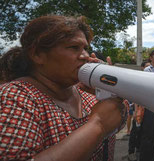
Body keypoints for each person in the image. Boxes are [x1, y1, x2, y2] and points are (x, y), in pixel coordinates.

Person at [0, 15, 127, 161]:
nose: (85, 56)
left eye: (85, 48)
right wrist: (98, 124)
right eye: (74, 47)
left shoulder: (86, 96)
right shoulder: (16, 97)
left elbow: (118, 119)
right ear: (37, 54)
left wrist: (108, 86)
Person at [139, 50, 154, 161]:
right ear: (151, 58)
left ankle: (152, 157)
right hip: (149, 107)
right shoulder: (147, 70)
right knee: (148, 135)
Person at [127, 60, 150, 161]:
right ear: (142, 68)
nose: (149, 69)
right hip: (139, 111)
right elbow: (136, 97)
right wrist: (136, 111)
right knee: (135, 132)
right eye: (147, 67)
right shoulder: (139, 80)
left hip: (146, 111)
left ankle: (139, 150)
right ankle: (131, 151)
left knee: (142, 132)